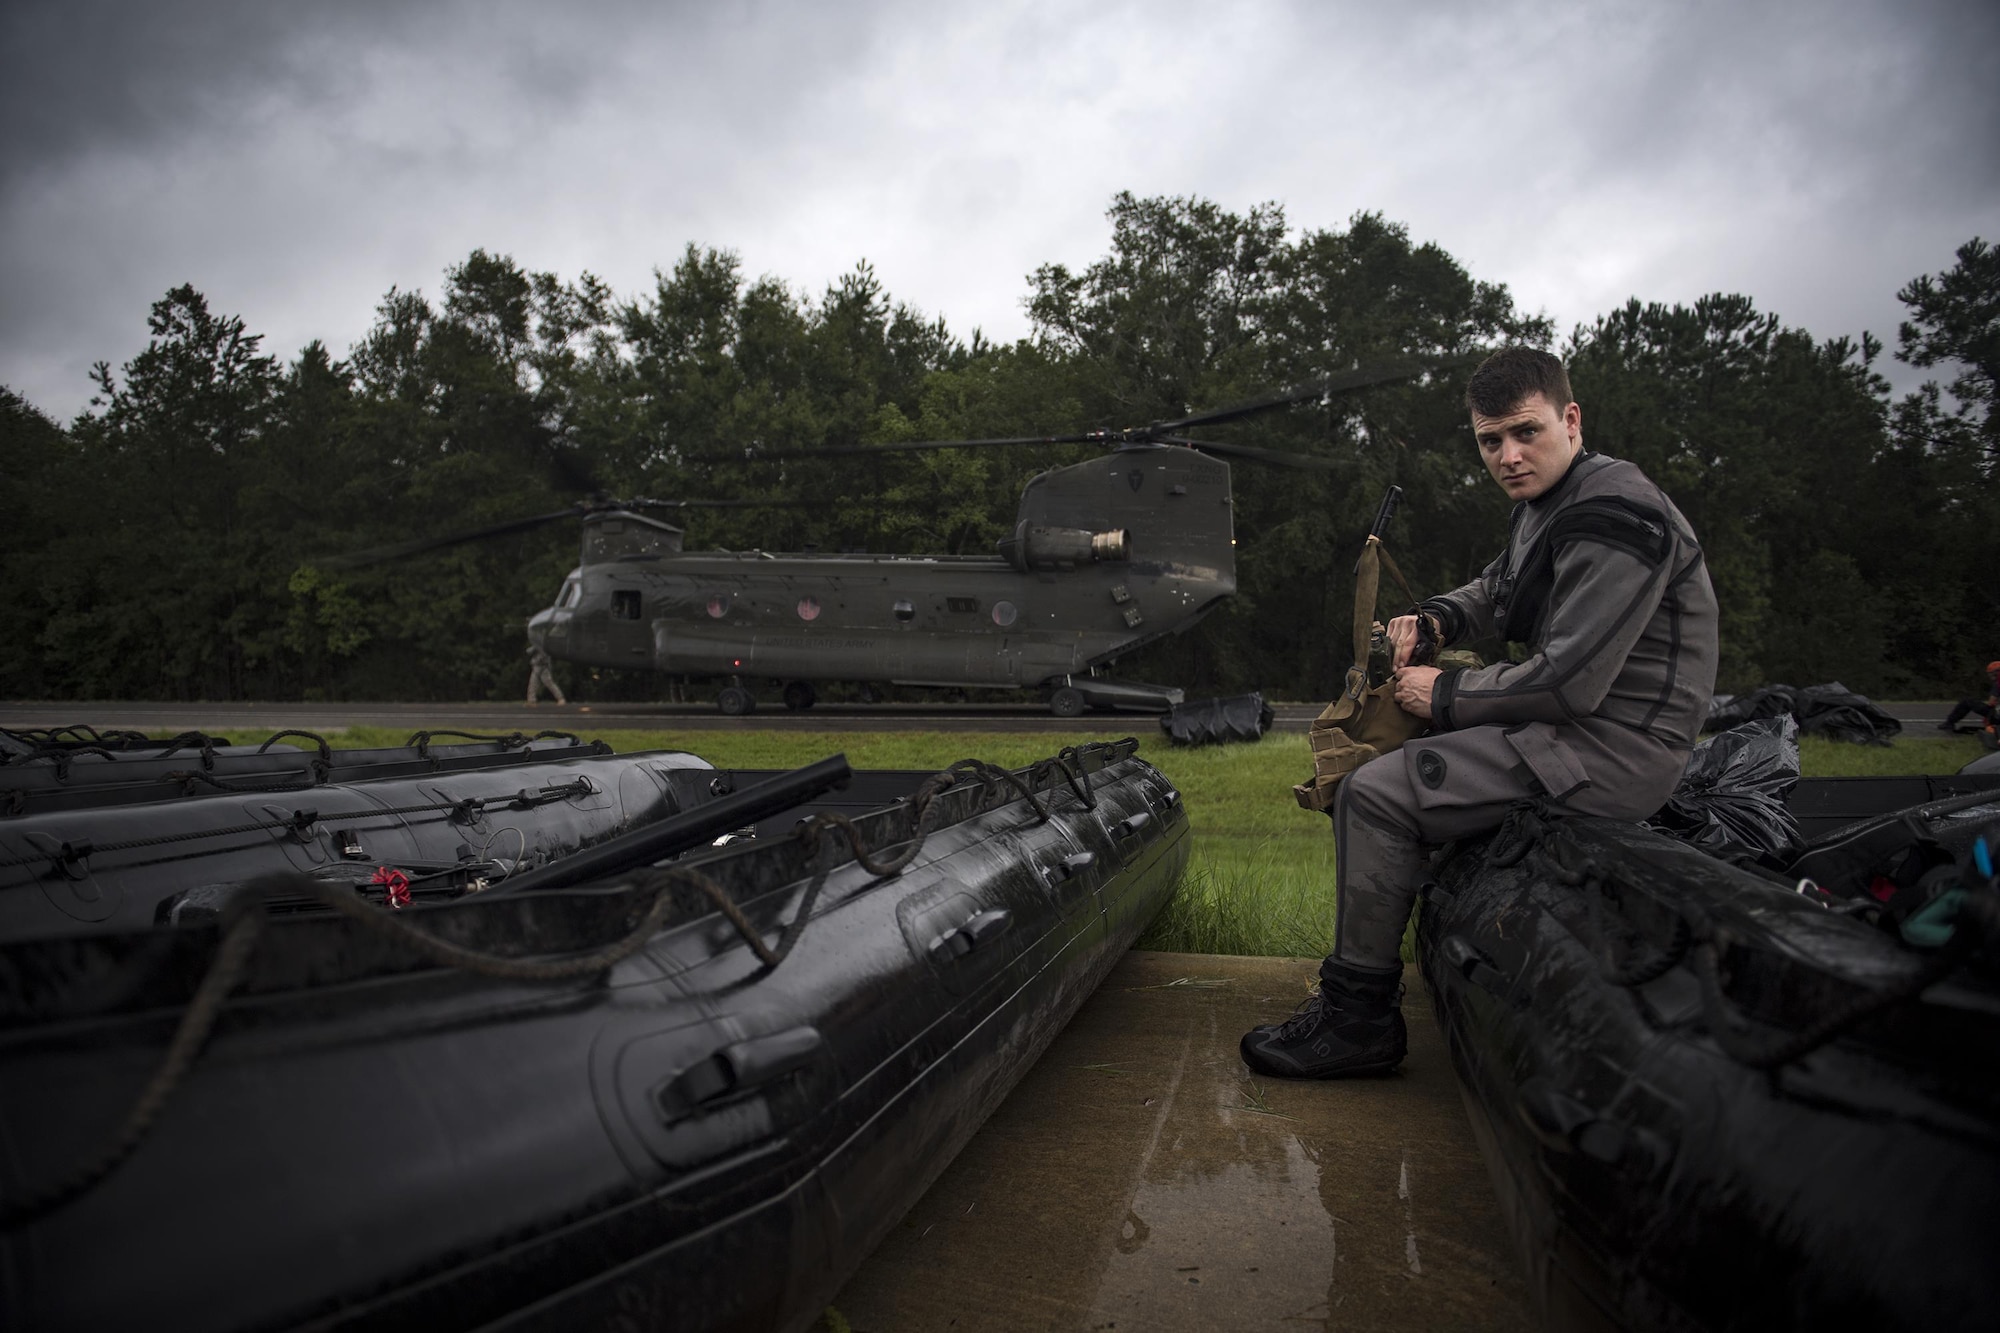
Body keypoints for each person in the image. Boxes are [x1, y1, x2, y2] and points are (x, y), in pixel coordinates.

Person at [1241, 347, 1719, 1079]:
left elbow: (1569, 683)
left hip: (1613, 749)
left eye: (1526, 432)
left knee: (1373, 793)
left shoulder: (1618, 513)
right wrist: (1433, 621)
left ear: (1572, 418)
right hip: (1569, 730)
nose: (1509, 456)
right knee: (1386, 751)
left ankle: (1357, 1017)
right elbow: (1499, 588)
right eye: (1490, 441)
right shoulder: (1550, 504)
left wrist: (1444, 693)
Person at [1938, 662, 2000, 734]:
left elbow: (1991, 702)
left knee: (1967, 702)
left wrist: (1988, 717)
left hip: (1997, 716)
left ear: (1997, 672)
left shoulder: (1998, 683)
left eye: (1991, 673)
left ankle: (1949, 723)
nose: (1989, 676)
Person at [527, 637, 567, 706]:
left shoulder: (545, 647)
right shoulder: (537, 646)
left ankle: (561, 698)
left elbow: (544, 657)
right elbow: (528, 651)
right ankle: (531, 701)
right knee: (533, 684)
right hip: (537, 666)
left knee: (549, 683)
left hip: (542, 667)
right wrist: (535, 647)